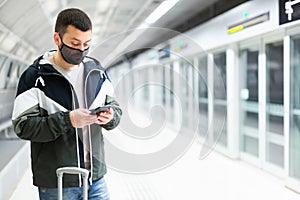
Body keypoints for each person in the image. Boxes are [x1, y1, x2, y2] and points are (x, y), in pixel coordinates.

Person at [12, 8, 122, 200]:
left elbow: (116, 109)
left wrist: (110, 117)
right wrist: (68, 120)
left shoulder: (97, 72)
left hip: (95, 179)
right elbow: (23, 126)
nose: (81, 50)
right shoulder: (35, 77)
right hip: (57, 183)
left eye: (86, 44)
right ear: (57, 39)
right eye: (74, 43)